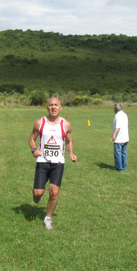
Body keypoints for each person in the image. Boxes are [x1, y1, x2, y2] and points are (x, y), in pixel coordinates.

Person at [29, 97, 77, 230]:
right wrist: (34, 149)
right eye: (51, 105)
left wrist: (71, 153)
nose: (53, 107)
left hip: (58, 163)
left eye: (56, 105)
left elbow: (69, 141)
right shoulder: (40, 123)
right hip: (42, 161)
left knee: (54, 192)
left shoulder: (65, 125)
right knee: (38, 193)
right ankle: (36, 196)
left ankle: (48, 218)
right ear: (47, 108)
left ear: (61, 108)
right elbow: (32, 138)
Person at [110, 103, 129, 171]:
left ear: (115, 109)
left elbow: (118, 127)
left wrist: (114, 135)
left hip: (119, 138)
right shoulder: (124, 114)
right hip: (125, 137)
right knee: (123, 153)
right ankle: (123, 167)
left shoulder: (118, 116)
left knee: (118, 153)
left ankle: (119, 168)